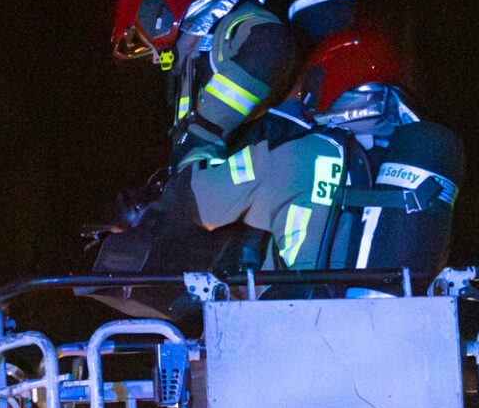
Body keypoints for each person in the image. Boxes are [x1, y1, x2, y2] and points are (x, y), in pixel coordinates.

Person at [168, 21, 463, 275]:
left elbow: (198, 203)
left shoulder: (295, 155)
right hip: (389, 327)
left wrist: (200, 142)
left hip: (295, 327)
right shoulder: (411, 166)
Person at [111, 0, 296, 170]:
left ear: (157, 14)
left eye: (140, 42)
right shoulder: (192, 58)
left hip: (265, 185)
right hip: (234, 193)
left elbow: (206, 137)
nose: (155, 58)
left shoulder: (252, 31)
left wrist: (198, 148)